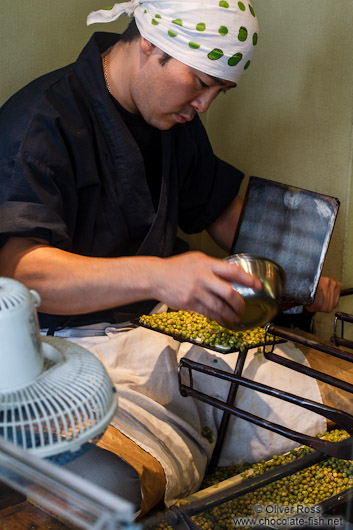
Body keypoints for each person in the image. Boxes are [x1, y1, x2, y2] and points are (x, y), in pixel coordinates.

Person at [0, 0, 342, 516]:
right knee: (116, 490)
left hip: (160, 331)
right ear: (151, 43)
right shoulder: (42, 123)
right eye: (199, 83)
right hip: (62, 353)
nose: (204, 106)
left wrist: (296, 276)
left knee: (315, 419)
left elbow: (224, 211)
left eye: (218, 92)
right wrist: (159, 277)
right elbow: (18, 270)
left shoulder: (172, 121)